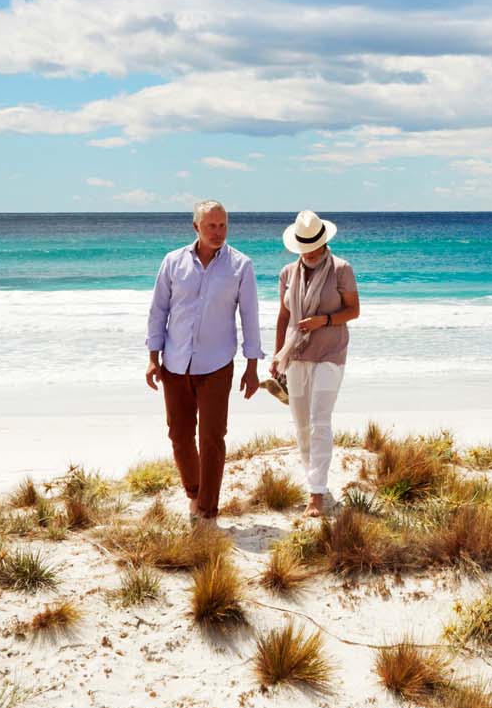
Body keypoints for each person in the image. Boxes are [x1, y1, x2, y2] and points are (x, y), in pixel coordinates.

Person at [145, 200, 261, 521]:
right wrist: (153, 358)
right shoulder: (172, 262)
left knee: (212, 439)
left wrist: (253, 366)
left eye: (223, 225)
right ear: (196, 227)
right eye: (211, 225)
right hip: (175, 363)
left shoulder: (241, 265)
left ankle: (207, 511)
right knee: (179, 435)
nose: (218, 232)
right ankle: (194, 493)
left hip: (217, 364)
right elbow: (159, 311)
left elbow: (249, 317)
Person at [271, 210, 359, 518]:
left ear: (323, 243)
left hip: (331, 353)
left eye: (313, 246)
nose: (308, 253)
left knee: (320, 420)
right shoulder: (287, 273)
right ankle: (314, 477)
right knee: (301, 425)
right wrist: (277, 353)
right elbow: (283, 317)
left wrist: (326, 320)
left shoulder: (341, 269)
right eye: (303, 247)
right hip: (296, 354)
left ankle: (316, 494)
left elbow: (353, 311)